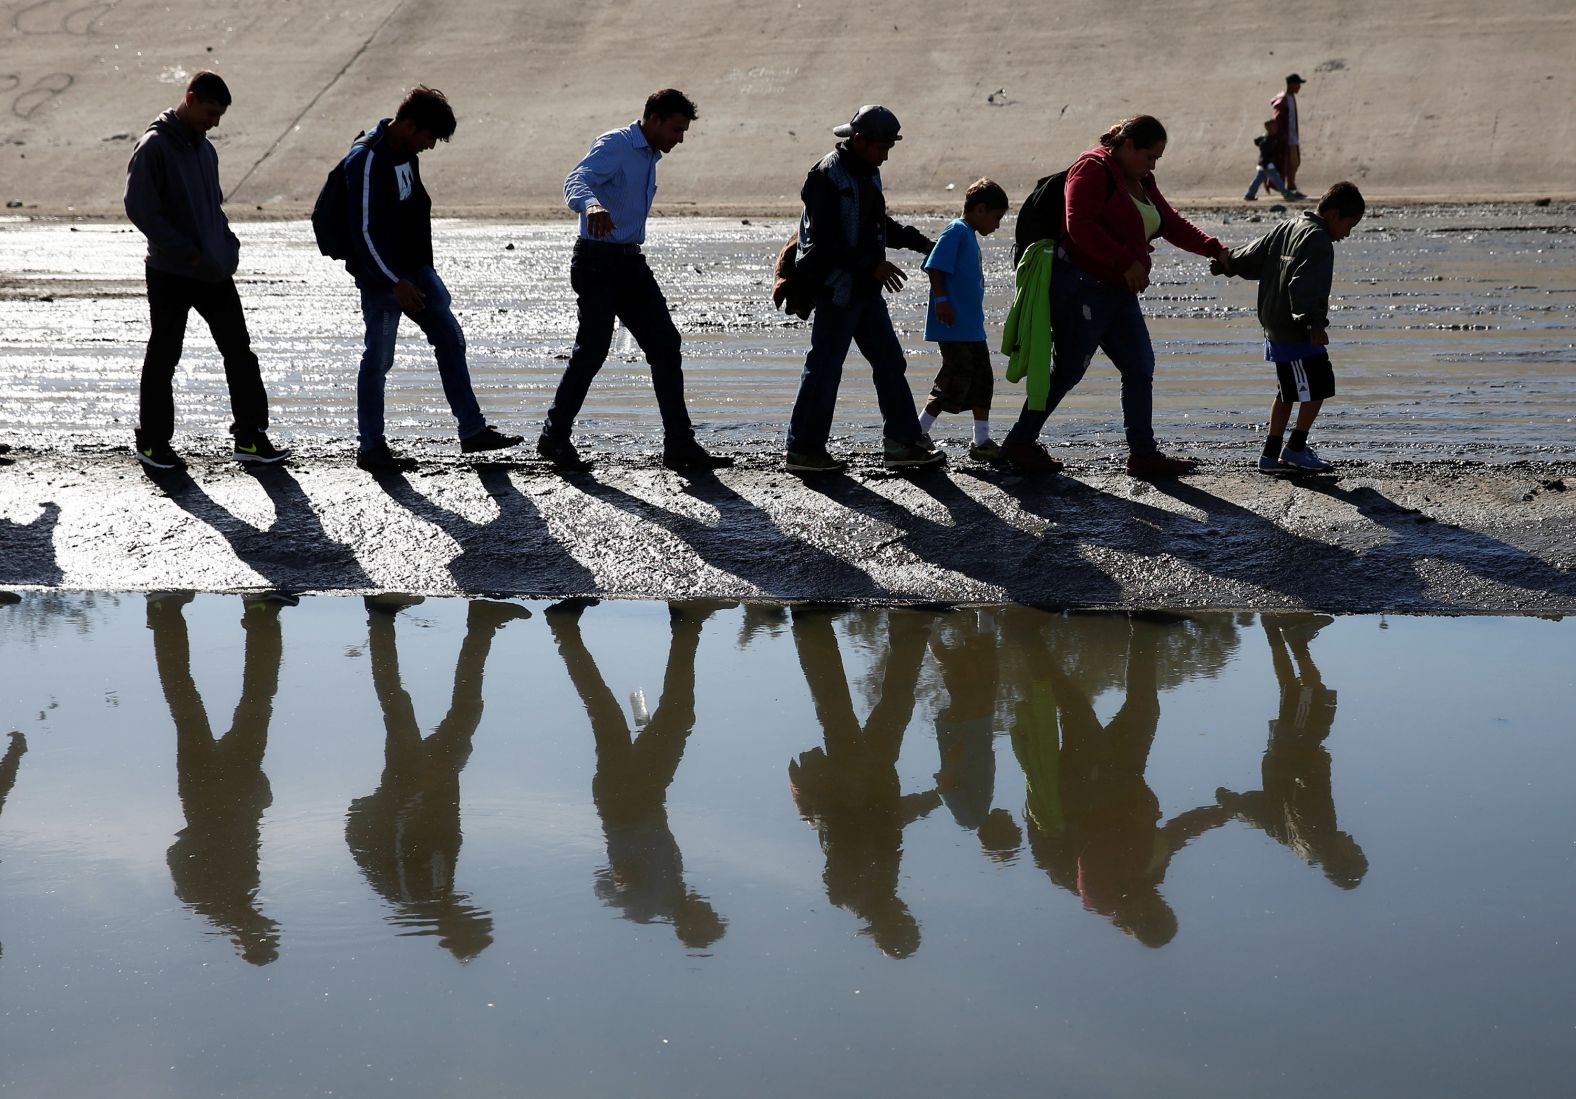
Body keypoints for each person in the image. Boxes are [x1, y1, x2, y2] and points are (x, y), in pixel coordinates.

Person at [1000, 116, 1230, 478]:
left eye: (1158, 158)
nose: (1153, 164)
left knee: (1140, 366)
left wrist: (1214, 249)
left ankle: (1143, 455)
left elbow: (1169, 223)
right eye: (1149, 155)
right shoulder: (1091, 169)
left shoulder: (1142, 180)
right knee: (1069, 370)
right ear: (1127, 146)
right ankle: (1019, 441)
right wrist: (1125, 261)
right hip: (1081, 287)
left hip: (1119, 291)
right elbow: (1079, 226)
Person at [539, 89, 731, 474]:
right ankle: (554, 436)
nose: (680, 138)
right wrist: (591, 204)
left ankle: (679, 444)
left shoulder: (649, 155)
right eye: (677, 129)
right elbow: (576, 178)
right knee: (592, 351)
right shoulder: (617, 144)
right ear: (654, 119)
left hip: (629, 263)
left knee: (665, 345)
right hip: (596, 262)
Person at [339, 86, 522, 473]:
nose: (431, 146)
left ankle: (472, 431)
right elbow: (363, 233)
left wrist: (422, 270)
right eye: (429, 137)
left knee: (451, 339)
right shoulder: (368, 160)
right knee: (379, 359)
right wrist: (393, 282)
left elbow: (411, 212)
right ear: (408, 125)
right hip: (384, 281)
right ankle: (371, 448)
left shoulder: (404, 153)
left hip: (415, 272)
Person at [123, 71, 287, 471]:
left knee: (239, 352)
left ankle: (249, 437)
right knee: (164, 355)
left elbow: (213, 207)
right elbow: (140, 208)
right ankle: (152, 443)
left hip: (212, 271)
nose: (215, 122)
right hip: (170, 272)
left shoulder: (204, 150)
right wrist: (187, 253)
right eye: (211, 113)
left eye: (219, 116)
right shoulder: (155, 146)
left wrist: (225, 247)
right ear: (190, 99)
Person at [784, 105, 943, 474]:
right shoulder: (825, 176)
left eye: (890, 147)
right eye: (882, 147)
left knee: (889, 361)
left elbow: (877, 224)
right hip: (836, 289)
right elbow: (824, 241)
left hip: (865, 289)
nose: (886, 154)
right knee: (824, 368)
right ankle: (803, 451)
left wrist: (923, 244)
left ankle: (902, 443)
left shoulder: (869, 172)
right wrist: (872, 264)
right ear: (858, 140)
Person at [1215, 181, 1365, 473]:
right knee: (1320, 385)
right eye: (1349, 226)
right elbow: (1304, 284)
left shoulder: (1289, 226)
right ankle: (1295, 448)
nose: (1347, 234)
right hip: (1295, 328)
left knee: (1287, 391)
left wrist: (1228, 263)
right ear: (1334, 215)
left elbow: (1254, 253)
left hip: (1276, 322)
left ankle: (1271, 456)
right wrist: (1314, 324)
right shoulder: (1318, 239)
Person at [918, 178, 1010, 462]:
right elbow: (934, 266)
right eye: (997, 218)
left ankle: (981, 440)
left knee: (983, 379)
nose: (997, 226)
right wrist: (942, 302)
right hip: (954, 326)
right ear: (980, 209)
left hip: (972, 328)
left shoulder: (968, 234)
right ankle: (916, 431)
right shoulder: (957, 230)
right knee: (954, 380)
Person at [1270, 74, 1306, 199]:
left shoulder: (1290, 98)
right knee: (1286, 164)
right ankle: (1288, 189)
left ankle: (1291, 188)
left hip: (1292, 138)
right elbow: (1277, 119)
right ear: (1291, 85)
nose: (1299, 87)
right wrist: (1280, 136)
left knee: (1294, 164)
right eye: (1298, 84)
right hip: (1286, 139)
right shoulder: (1283, 100)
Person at [1243, 118, 1289, 201]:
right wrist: (1266, 164)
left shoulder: (1268, 138)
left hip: (1264, 164)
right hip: (1267, 164)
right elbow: (1265, 153)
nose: (1276, 128)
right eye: (1274, 127)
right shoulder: (1268, 140)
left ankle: (1249, 195)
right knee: (1276, 179)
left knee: (1258, 180)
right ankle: (1285, 193)